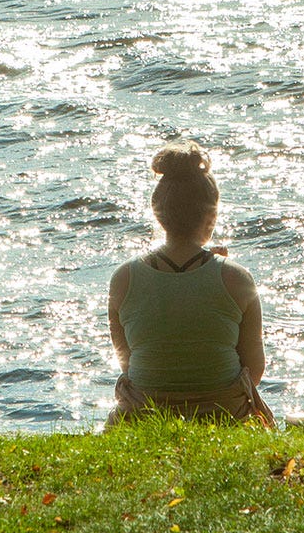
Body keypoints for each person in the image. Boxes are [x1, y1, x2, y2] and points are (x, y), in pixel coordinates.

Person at [107, 140, 273, 427]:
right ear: (211, 218)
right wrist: (217, 270)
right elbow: (253, 371)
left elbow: (129, 364)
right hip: (224, 415)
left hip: (143, 416)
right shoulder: (237, 279)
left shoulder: (124, 278)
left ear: (157, 214)